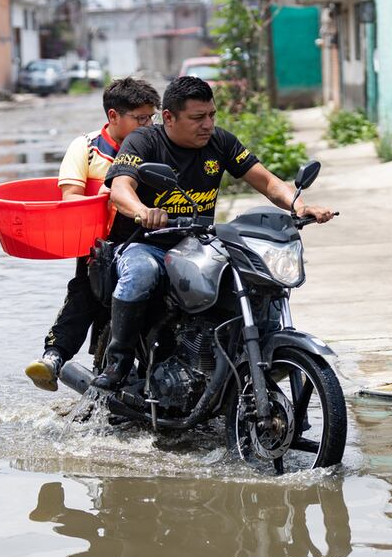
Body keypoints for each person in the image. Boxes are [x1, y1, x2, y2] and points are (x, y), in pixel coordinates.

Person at [93, 76, 335, 390]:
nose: (207, 124)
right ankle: (118, 362)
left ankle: (241, 357)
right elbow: (120, 190)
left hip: (198, 243)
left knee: (251, 275)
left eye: (211, 115)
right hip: (146, 243)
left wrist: (298, 205)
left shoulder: (220, 142)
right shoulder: (143, 141)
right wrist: (143, 211)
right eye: (197, 118)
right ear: (168, 117)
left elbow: (267, 182)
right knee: (141, 273)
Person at [25, 77, 161, 391]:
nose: (147, 124)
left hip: (145, 239)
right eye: (140, 118)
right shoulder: (86, 148)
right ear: (113, 116)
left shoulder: (156, 145)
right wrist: (109, 194)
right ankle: (54, 357)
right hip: (98, 243)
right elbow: (70, 197)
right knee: (84, 293)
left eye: (150, 117)